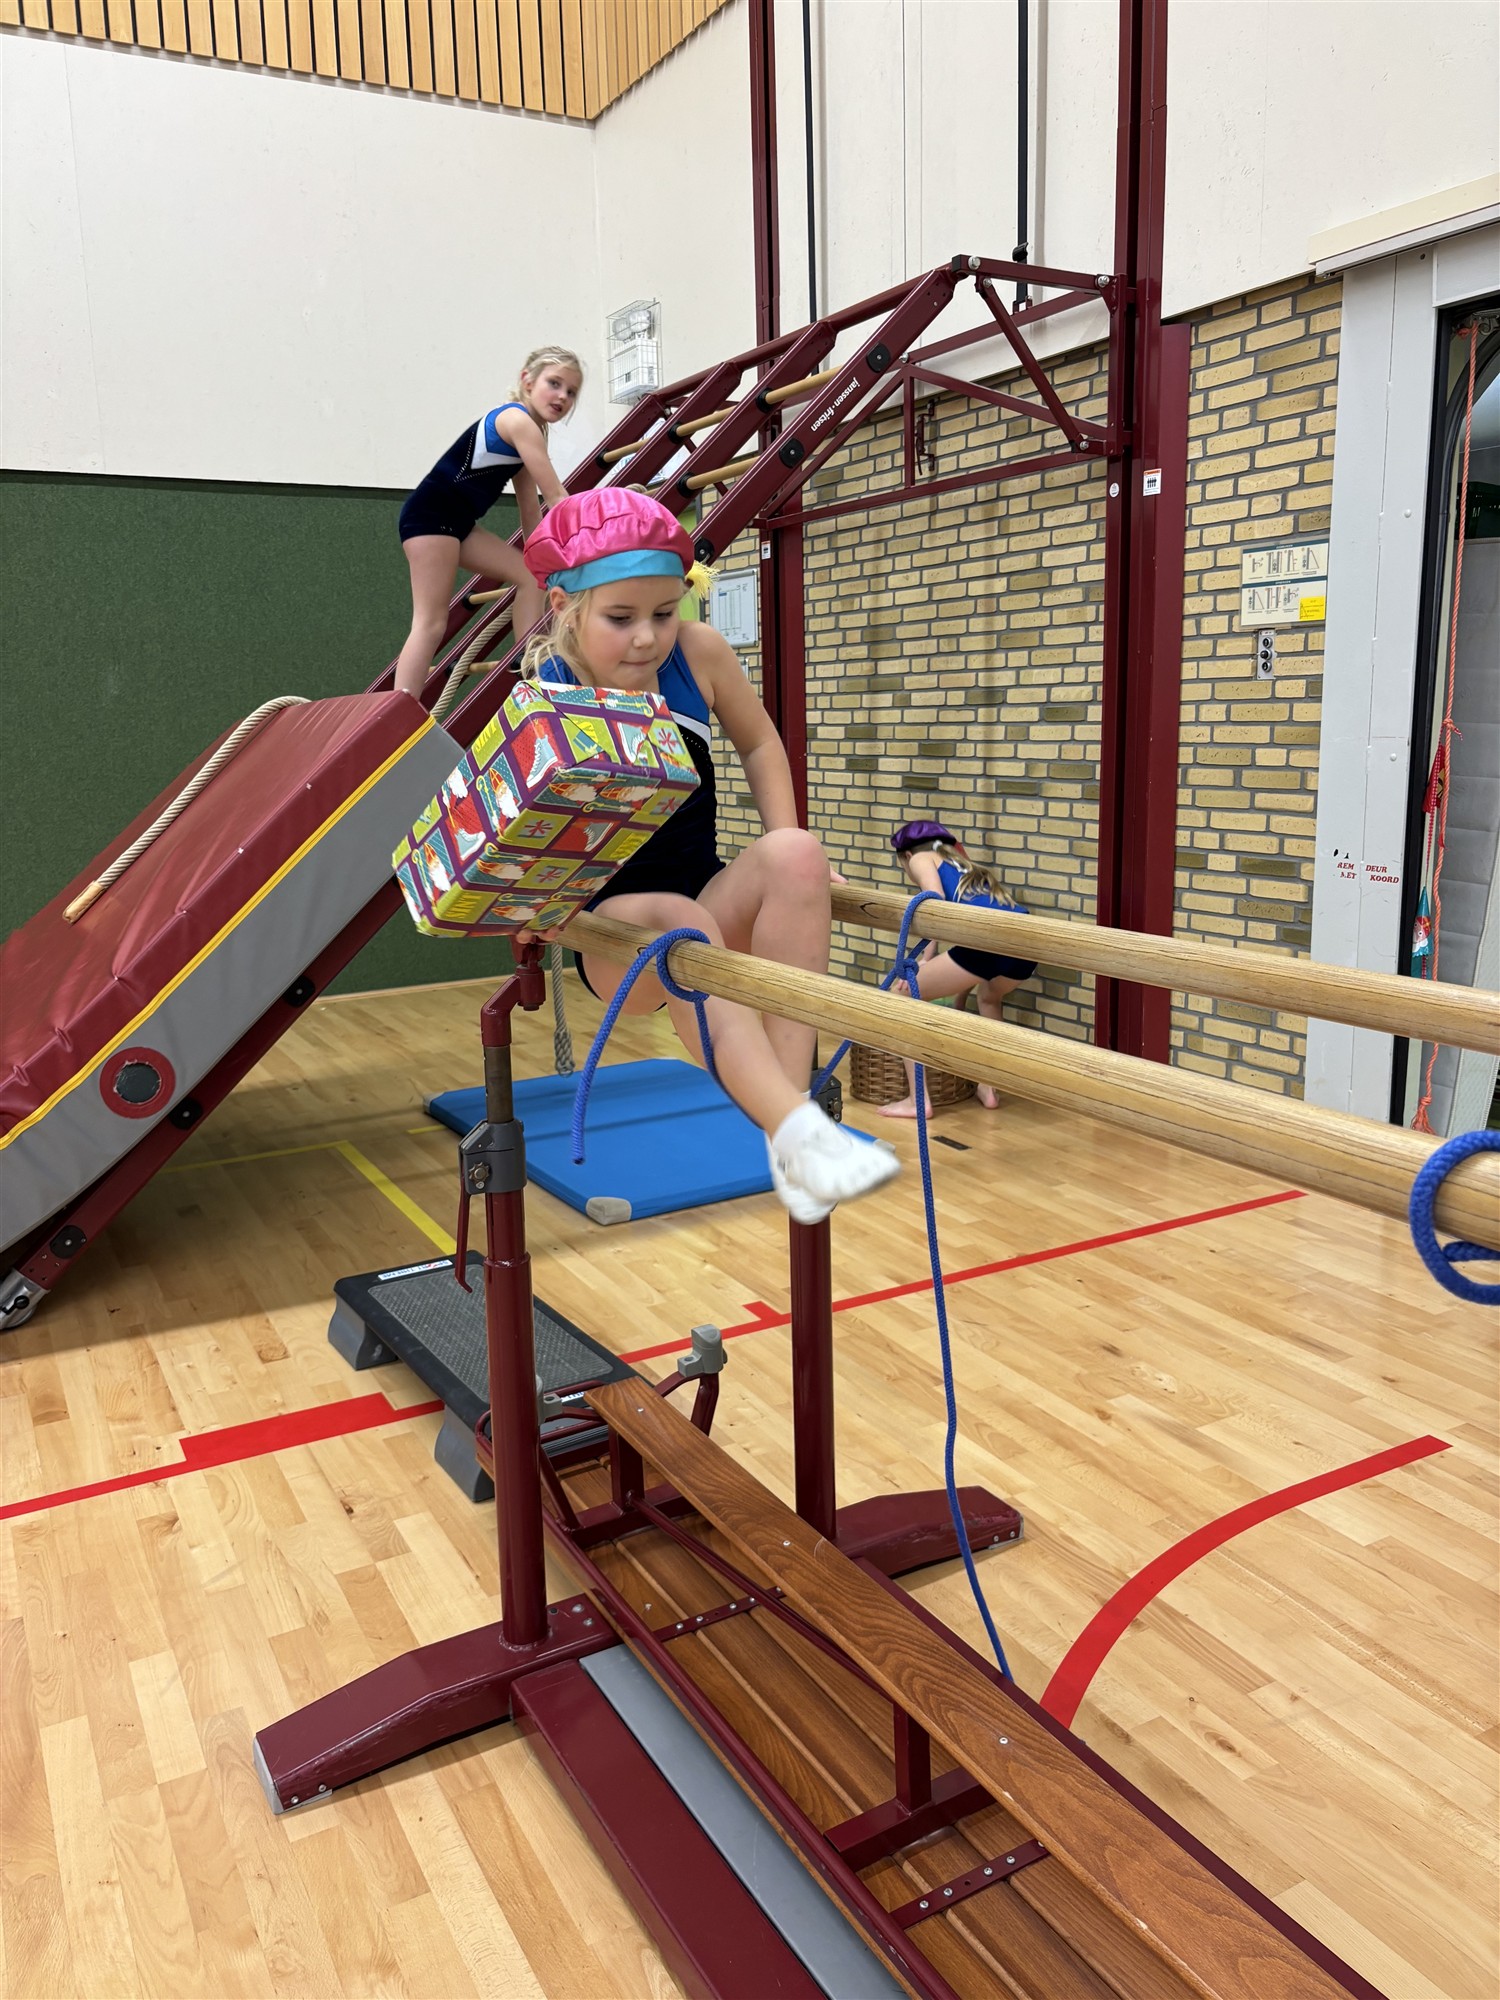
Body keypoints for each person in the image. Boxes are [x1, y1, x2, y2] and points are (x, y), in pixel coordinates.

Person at [520, 487, 900, 1225]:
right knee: (677, 920)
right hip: (613, 935)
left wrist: (795, 858)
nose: (647, 638)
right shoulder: (552, 691)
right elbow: (524, 836)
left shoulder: (698, 655)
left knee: (797, 853)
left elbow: (758, 743)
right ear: (565, 608)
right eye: (620, 619)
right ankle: (792, 1128)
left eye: (665, 613)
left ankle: (789, 1117)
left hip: (706, 897)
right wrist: (539, 908)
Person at [393, 347, 584, 697]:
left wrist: (542, 558)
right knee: (431, 622)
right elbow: (556, 496)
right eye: (554, 384)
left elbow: (531, 510)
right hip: (431, 517)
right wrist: (590, 544)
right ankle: (398, 712)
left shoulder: (533, 433)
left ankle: (532, 670)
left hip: (457, 523)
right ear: (527, 381)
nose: (562, 397)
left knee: (530, 577)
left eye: (571, 392)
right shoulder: (516, 421)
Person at [881, 820, 1038, 1119]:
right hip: (1025, 943)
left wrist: (926, 958)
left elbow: (933, 903)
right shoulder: (964, 864)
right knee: (989, 997)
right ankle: (988, 1088)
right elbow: (971, 957)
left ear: (906, 855)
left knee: (899, 998)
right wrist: (956, 996)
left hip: (988, 941)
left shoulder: (920, 858)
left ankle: (917, 1101)